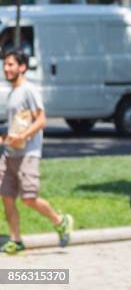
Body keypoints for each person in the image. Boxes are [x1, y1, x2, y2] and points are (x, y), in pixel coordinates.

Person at [0, 50, 73, 254]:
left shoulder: (28, 90)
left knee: (28, 198)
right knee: (6, 196)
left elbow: (41, 120)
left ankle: (60, 221)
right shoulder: (13, 92)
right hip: (10, 153)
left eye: (11, 64)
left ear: (22, 67)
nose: (6, 68)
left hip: (28, 154)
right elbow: (17, 125)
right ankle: (16, 239)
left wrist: (23, 137)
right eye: (5, 64)